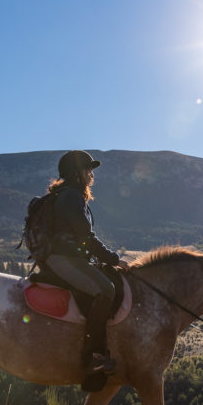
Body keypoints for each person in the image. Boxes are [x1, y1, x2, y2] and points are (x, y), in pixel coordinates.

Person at [42, 150, 130, 391]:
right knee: (106, 290)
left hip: (70, 257)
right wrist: (113, 259)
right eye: (87, 169)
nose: (91, 174)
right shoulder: (71, 197)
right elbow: (86, 237)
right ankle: (93, 357)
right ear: (75, 173)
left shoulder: (70, 194)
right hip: (63, 258)